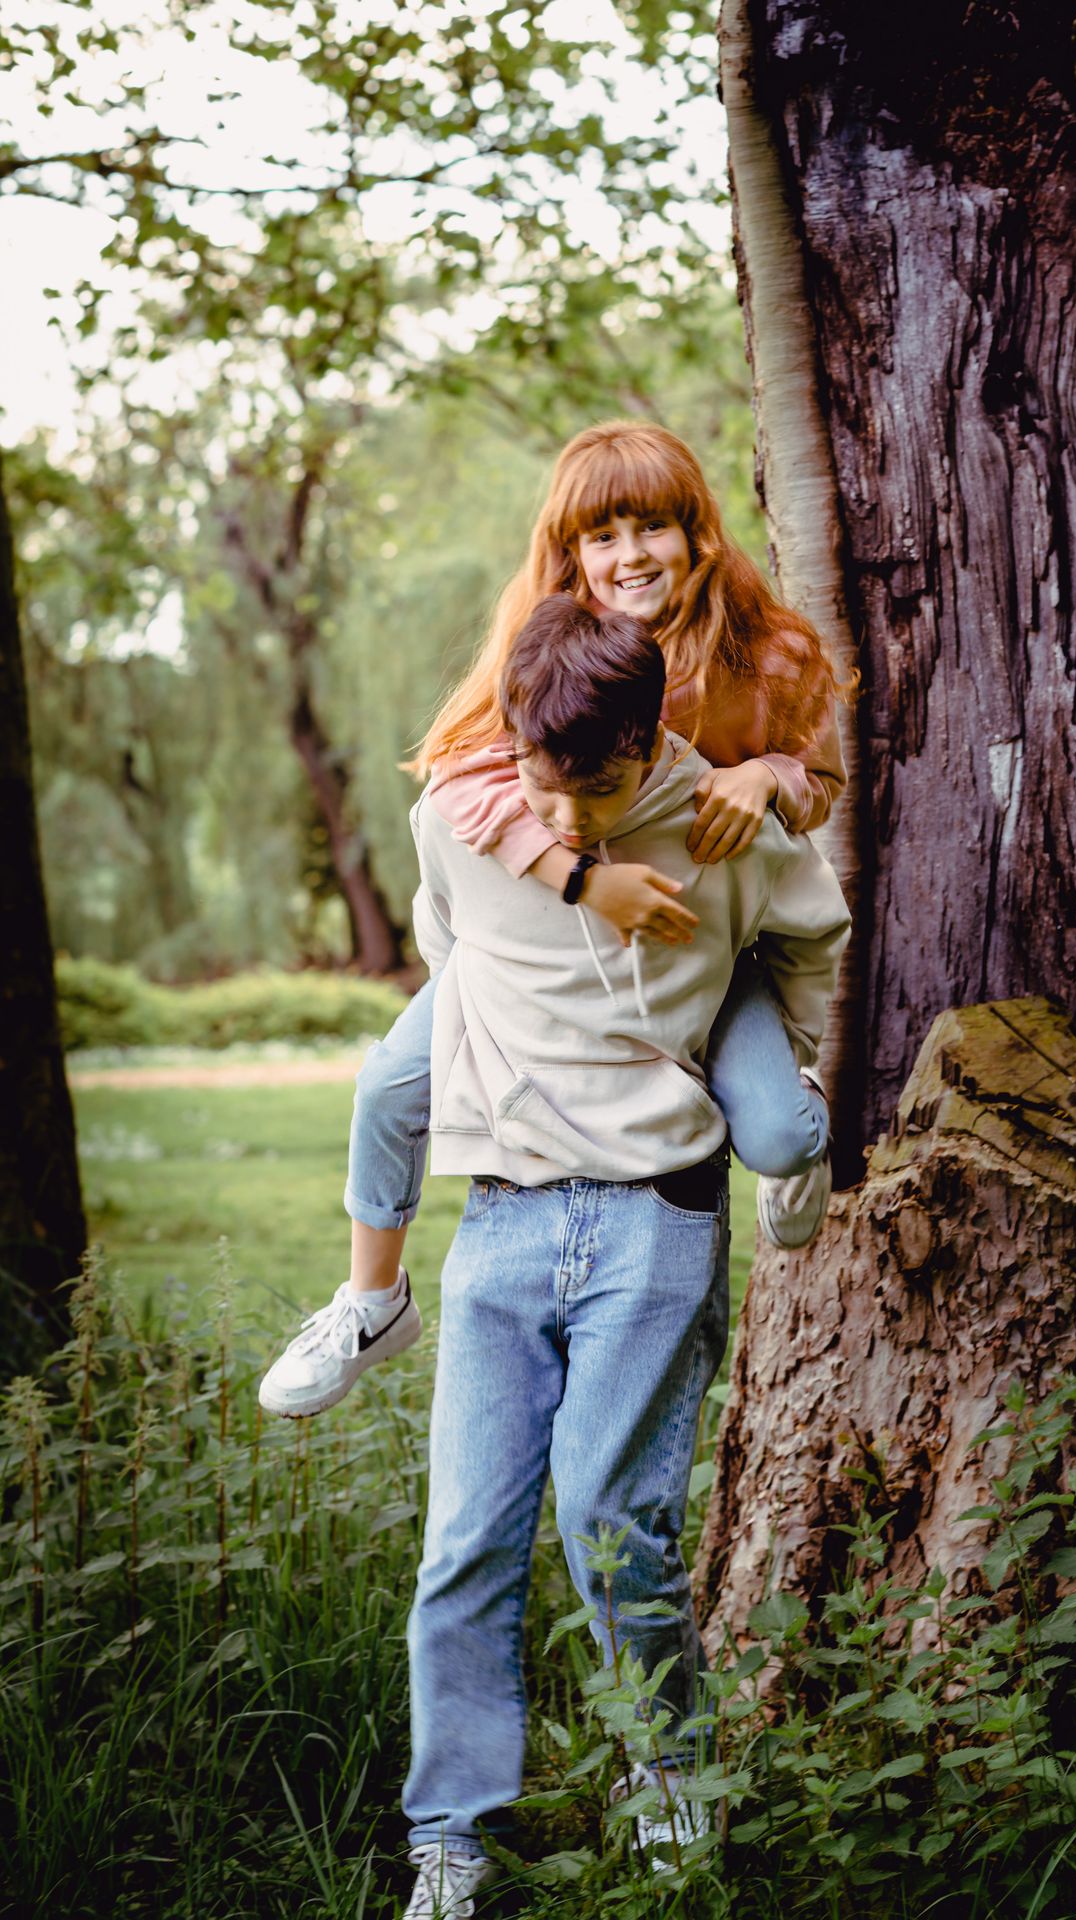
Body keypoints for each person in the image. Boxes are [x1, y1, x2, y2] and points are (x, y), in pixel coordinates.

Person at [397, 595, 849, 1917]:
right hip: (499, 1221)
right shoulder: (466, 821)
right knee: (463, 1545)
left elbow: (808, 939)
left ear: (647, 742)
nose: (564, 815)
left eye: (591, 789)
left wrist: (784, 1074)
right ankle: (449, 1840)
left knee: (611, 1526)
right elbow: (444, 943)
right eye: (542, 781)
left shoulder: (721, 825)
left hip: (655, 1219)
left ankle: (671, 1799)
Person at [258, 420, 850, 1423]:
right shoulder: (548, 637)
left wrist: (763, 774)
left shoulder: (767, 651)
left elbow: (819, 783)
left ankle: (796, 1117)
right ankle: (371, 1300)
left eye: (651, 527)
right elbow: (459, 775)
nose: (629, 555)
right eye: (601, 535)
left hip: (707, 942)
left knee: (780, 1136)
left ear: (696, 532)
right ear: (571, 549)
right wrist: (577, 879)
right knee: (388, 1088)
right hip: (556, 942)